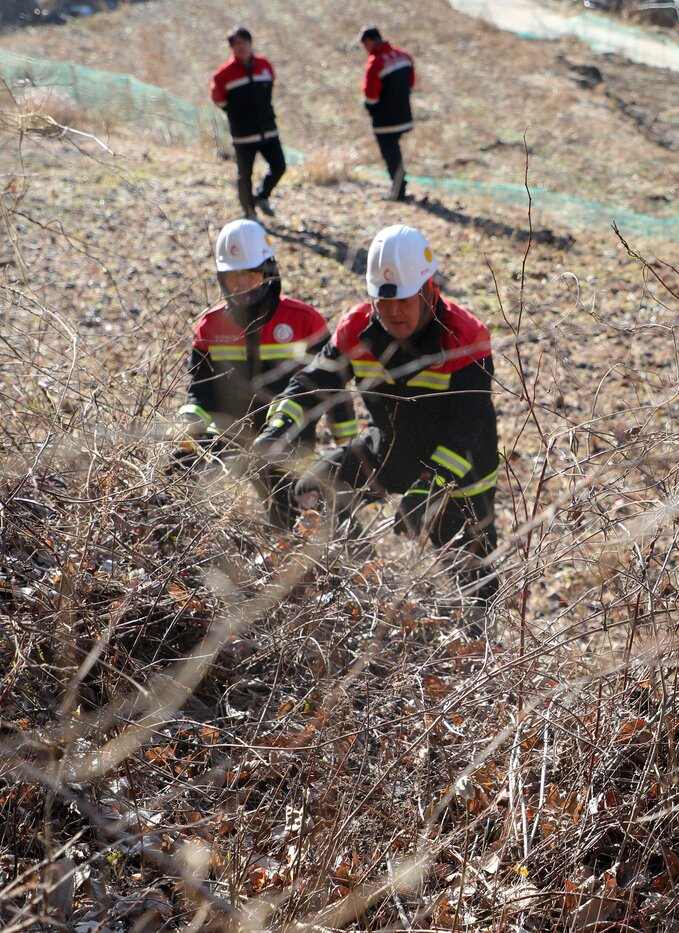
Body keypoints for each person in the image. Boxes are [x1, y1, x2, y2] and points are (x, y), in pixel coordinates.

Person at [254, 225, 499, 603]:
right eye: (383, 302)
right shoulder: (355, 329)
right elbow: (313, 383)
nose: (394, 311)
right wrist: (277, 428)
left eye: (405, 300)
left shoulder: (464, 336)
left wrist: (431, 486)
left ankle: (479, 645)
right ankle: (365, 583)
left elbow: (468, 427)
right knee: (314, 489)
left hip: (460, 471)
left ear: (430, 291)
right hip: (390, 449)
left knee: (472, 576)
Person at [172, 219, 359, 529]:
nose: (242, 286)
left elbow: (335, 393)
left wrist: (348, 451)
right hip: (230, 437)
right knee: (198, 512)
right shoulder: (210, 326)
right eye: (233, 277)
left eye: (252, 274)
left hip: (289, 441)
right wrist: (188, 440)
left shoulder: (305, 322)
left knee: (291, 522)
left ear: (270, 273)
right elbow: (200, 392)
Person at [210, 26, 285, 219]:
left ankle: (262, 196)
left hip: (268, 129)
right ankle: (249, 212)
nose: (242, 47)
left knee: (279, 166)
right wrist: (238, 114)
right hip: (243, 134)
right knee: (245, 175)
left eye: (244, 43)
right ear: (231, 48)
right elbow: (218, 99)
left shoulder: (264, 65)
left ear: (251, 44)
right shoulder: (223, 74)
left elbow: (269, 89)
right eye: (237, 44)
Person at [359, 27, 416, 202]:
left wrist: (371, 108)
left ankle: (398, 190)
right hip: (404, 113)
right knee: (395, 151)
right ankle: (400, 186)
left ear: (368, 42)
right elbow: (411, 82)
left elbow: (371, 94)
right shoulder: (403, 56)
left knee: (390, 153)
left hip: (385, 118)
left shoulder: (375, 63)